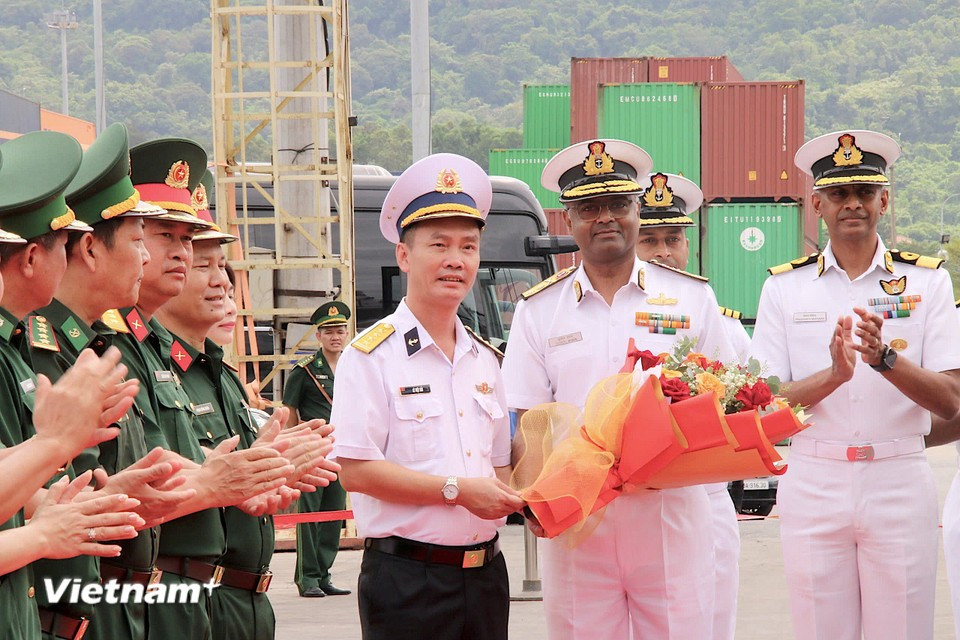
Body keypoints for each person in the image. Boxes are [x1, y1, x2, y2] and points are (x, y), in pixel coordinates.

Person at [502, 139, 737, 639]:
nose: (605, 217)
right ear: (568, 221)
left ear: (636, 211)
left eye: (618, 205)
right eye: (589, 208)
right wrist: (536, 500)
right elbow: (524, 420)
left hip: (670, 511)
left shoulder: (692, 299)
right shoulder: (539, 310)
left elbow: (727, 404)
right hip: (578, 523)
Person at [751, 130, 960, 640]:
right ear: (816, 203)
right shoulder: (783, 287)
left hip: (898, 476)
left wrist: (886, 360)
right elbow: (761, 405)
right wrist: (834, 377)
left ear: (883, 200)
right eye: (839, 194)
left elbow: (952, 400)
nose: (853, 205)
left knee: (905, 629)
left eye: (864, 193)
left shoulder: (927, 282)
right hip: (814, 478)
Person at [331, 153, 523, 640]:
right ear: (404, 255)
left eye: (468, 247)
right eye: (438, 244)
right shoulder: (370, 356)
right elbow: (355, 469)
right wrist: (456, 490)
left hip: (486, 579)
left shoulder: (486, 360)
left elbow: (499, 469)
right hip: (407, 582)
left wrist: (527, 497)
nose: (455, 260)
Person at [633, 170, 743, 640]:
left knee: (709, 626)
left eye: (673, 239)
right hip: (630, 498)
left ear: (688, 246)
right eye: (649, 240)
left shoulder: (723, 323)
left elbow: (740, 411)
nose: (663, 251)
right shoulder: (611, 316)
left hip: (706, 497)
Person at [283, 301, 352, 597]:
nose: (336, 337)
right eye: (329, 332)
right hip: (313, 451)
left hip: (341, 452)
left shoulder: (354, 366)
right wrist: (294, 447)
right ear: (319, 336)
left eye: (340, 331)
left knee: (333, 515)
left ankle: (324, 574)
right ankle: (307, 577)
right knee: (309, 517)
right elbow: (290, 412)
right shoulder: (305, 371)